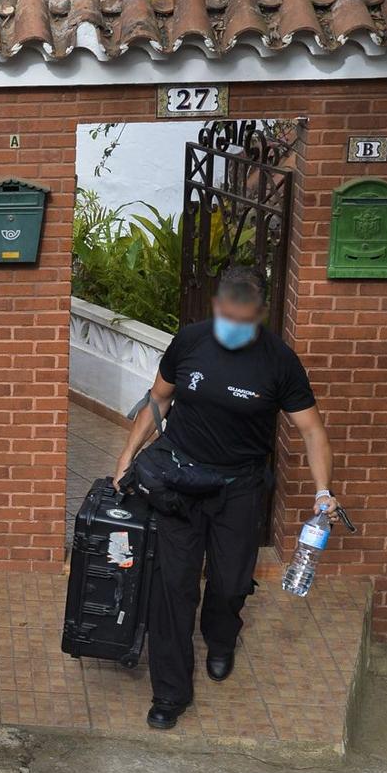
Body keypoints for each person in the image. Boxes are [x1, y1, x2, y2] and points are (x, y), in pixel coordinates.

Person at [113, 265, 338, 732]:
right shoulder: (191, 341)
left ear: (259, 314)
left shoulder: (279, 362)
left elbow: (313, 431)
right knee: (172, 585)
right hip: (179, 480)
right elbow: (159, 399)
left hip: (239, 487)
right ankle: (170, 693)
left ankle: (220, 637)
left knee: (230, 583)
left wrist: (323, 492)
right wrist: (127, 454)